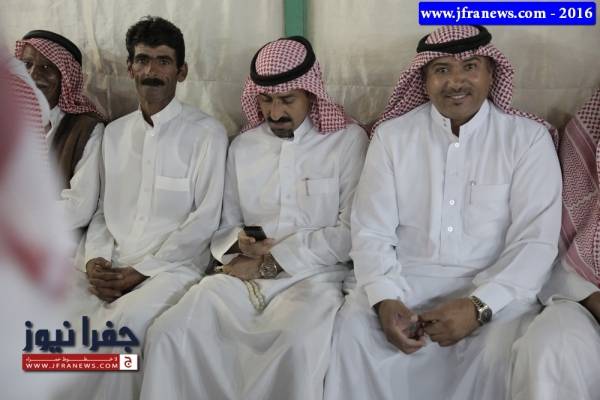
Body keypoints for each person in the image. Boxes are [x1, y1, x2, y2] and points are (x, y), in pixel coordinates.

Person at [324, 25, 562, 400]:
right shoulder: (392, 136)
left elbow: (536, 242)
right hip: (403, 282)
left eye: (470, 67)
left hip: (497, 291)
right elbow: (370, 231)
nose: (456, 82)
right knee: (354, 333)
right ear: (424, 79)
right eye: (441, 70)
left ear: (491, 73)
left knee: (502, 353)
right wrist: (384, 298)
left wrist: (479, 307)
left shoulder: (528, 139)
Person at [140, 36, 368, 400]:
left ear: (311, 94)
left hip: (313, 278)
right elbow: (225, 225)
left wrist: (271, 264)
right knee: (169, 333)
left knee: (296, 347)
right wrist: (239, 244)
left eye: (287, 100)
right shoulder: (243, 146)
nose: (274, 113)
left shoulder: (346, 141)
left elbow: (350, 232)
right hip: (241, 276)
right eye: (265, 100)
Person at [66, 16, 228, 399]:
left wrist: (140, 271)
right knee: (50, 322)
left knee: (118, 339)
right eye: (142, 60)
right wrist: (96, 260)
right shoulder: (114, 134)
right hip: (111, 266)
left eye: (163, 61)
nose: (151, 71)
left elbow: (204, 221)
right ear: (130, 68)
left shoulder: (207, 134)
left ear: (181, 71)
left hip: (171, 271)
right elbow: (103, 212)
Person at [510, 88, 600, 400]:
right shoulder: (584, 143)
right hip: (584, 299)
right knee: (551, 346)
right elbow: (556, 252)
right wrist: (593, 300)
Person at [15, 30, 106, 230]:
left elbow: (79, 209)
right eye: (27, 64)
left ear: (66, 78)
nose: (32, 75)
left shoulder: (87, 129)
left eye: (46, 67)